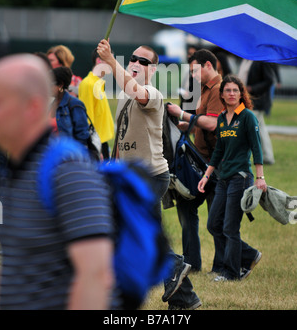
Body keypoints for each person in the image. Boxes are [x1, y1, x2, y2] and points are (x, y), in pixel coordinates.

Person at [0, 54, 115, 310]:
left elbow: (96, 275)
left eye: (0, 102)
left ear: (31, 107)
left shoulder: (68, 169)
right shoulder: (18, 170)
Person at [97, 39, 201, 311]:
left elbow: (136, 91)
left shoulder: (153, 94)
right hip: (129, 177)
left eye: (144, 62)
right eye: (134, 58)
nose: (137, 64)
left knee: (129, 229)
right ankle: (185, 298)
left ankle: (175, 267)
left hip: (151, 176)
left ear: (153, 70)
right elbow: (121, 137)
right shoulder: (123, 94)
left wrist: (110, 60)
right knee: (137, 230)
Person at [198, 75, 267, 281]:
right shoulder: (221, 118)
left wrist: (260, 176)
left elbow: (257, 148)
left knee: (230, 227)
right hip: (223, 178)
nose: (231, 94)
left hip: (241, 177)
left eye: (235, 90)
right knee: (213, 225)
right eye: (227, 90)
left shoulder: (247, 117)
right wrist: (206, 175)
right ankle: (249, 254)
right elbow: (218, 150)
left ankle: (231, 272)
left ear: (241, 94)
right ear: (222, 94)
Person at [167, 49, 224, 272]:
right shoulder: (206, 89)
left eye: (195, 70)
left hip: (214, 164)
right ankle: (192, 263)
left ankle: (225, 265)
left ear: (208, 65)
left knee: (216, 219)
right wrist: (186, 126)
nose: (194, 75)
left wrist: (182, 114)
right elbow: (202, 122)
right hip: (201, 163)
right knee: (187, 205)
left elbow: (212, 124)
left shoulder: (219, 89)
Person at [78, 48, 114, 159]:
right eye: (109, 59)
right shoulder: (88, 84)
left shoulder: (98, 84)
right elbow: (87, 120)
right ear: (99, 61)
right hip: (96, 146)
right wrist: (94, 148)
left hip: (102, 143)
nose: (112, 63)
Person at [238, 59, 275, 164]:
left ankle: (265, 156)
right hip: (247, 100)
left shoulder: (261, 61)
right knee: (259, 128)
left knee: (253, 128)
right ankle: (267, 155)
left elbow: (269, 80)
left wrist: (252, 88)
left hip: (257, 101)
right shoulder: (245, 60)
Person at [50, 66, 90, 146]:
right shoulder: (47, 104)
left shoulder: (75, 105)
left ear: (60, 85)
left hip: (68, 155)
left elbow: (82, 136)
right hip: (49, 156)